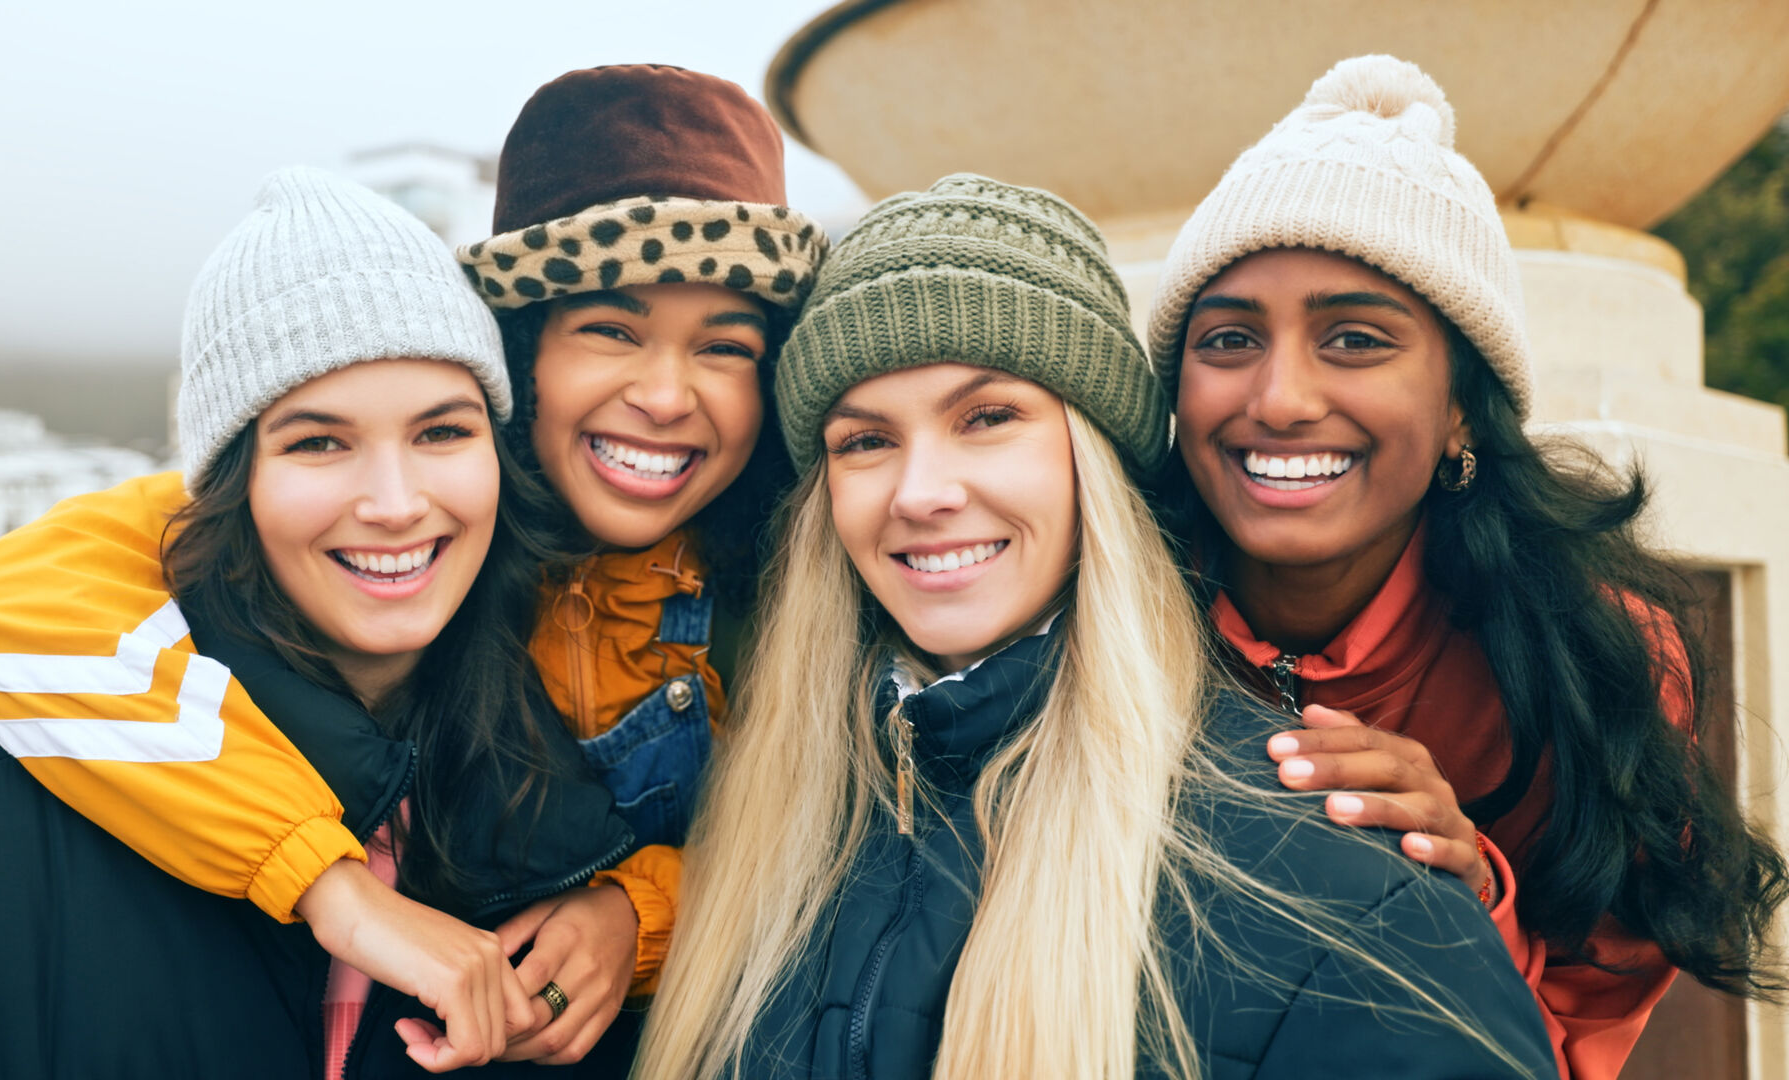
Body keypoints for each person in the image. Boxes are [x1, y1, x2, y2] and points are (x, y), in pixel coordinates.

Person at [0, 64, 825, 1062]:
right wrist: (328, 883)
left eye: (723, 347)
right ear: (523, 356)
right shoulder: (406, 531)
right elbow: (9, 596)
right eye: (611, 330)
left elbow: (846, 850)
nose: (663, 394)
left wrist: (637, 914)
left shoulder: (799, 582)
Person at [632, 174, 1555, 1079]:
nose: (920, 494)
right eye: (865, 441)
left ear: (1094, 462)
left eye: (989, 417)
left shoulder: (1338, 880)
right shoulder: (766, 836)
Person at [0, 168, 637, 1078]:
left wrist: (639, 909)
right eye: (318, 442)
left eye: (443, 431)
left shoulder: (571, 811)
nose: (395, 502)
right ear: (227, 486)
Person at [1143, 54, 1787, 1078]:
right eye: (1226, 339)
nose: (1277, 399)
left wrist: (1460, 894)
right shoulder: (1098, 608)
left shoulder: (1590, 655)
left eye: (1352, 338)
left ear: (1457, 409)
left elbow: (1574, 1046)